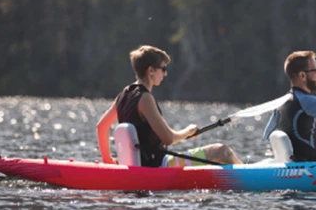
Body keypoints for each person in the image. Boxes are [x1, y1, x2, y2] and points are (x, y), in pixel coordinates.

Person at [96, 45, 242, 167]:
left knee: (214, 158)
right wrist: (188, 131)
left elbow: (102, 126)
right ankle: (252, 176)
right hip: (159, 165)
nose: (165, 74)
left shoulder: (124, 94)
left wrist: (107, 160)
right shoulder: (145, 98)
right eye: (163, 69)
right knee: (221, 151)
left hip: (138, 164)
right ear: (151, 71)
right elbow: (168, 139)